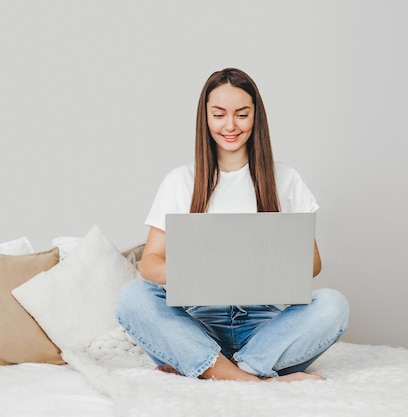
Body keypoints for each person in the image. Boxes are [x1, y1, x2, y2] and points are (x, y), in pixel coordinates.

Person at [115, 68, 349, 382]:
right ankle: (252, 379)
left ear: (256, 117)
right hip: (198, 326)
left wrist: (258, 266)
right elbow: (150, 264)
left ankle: (223, 370)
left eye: (241, 115)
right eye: (219, 114)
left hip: (266, 328)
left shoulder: (285, 179)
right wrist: (198, 271)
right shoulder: (180, 180)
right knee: (132, 297)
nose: (230, 126)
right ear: (205, 118)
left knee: (333, 304)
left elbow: (314, 262)